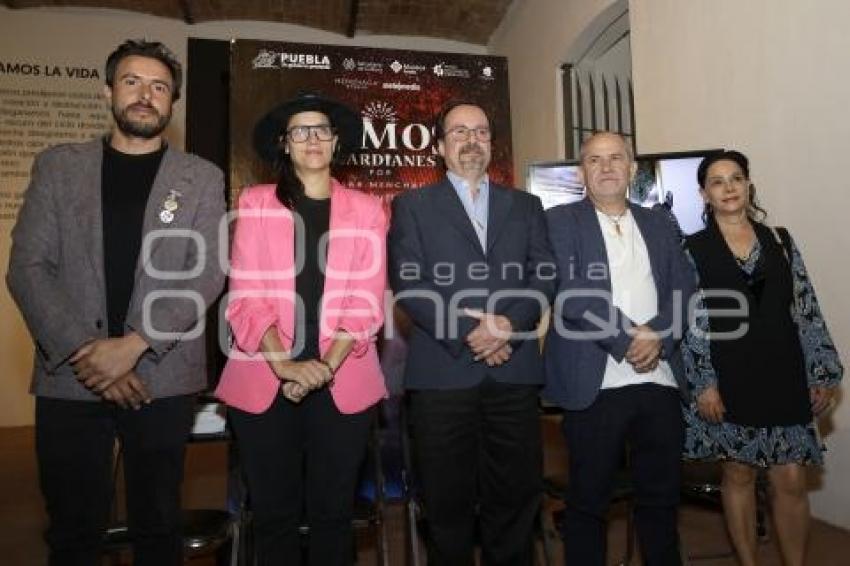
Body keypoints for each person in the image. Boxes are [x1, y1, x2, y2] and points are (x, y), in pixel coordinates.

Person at [6, 39, 226, 565]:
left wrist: (135, 345)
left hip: (162, 374)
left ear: (172, 102)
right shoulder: (59, 168)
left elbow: (207, 273)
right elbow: (28, 268)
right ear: (107, 91)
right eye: (132, 82)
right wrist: (89, 350)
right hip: (70, 376)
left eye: (159, 87)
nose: (145, 95)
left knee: (158, 525)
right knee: (73, 530)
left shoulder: (201, 178)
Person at [215, 92, 388, 566]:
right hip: (265, 379)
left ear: (335, 143)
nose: (312, 139)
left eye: (321, 131)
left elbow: (366, 300)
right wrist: (285, 365)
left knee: (334, 516)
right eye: (300, 131)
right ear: (285, 145)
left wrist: (322, 368)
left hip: (343, 379)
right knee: (274, 516)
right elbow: (246, 295)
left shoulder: (369, 210)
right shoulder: (255, 203)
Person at [388, 100, 555, 565]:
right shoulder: (412, 206)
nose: (471, 140)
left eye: (480, 132)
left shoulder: (526, 205)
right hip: (443, 377)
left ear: (491, 144)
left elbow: (545, 275)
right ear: (440, 147)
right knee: (446, 507)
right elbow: (409, 282)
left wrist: (505, 326)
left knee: (516, 501)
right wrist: (471, 332)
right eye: (458, 132)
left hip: (514, 374)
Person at [682, 150, 843, 566]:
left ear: (749, 185)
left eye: (736, 178)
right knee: (738, 474)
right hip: (730, 376)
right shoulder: (691, 249)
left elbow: (806, 308)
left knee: (790, 478)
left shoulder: (781, 241)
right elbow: (691, 322)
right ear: (704, 193)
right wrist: (704, 383)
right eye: (717, 181)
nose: (729, 187)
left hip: (784, 372)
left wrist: (822, 369)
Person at [544, 132, 694, 565]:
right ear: (581, 173)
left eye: (616, 158)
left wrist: (660, 339)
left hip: (659, 378)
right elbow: (572, 293)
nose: (606, 167)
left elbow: (684, 287)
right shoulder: (558, 221)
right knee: (588, 502)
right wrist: (629, 339)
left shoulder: (660, 222)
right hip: (594, 383)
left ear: (632, 168)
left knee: (661, 500)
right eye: (595, 159)